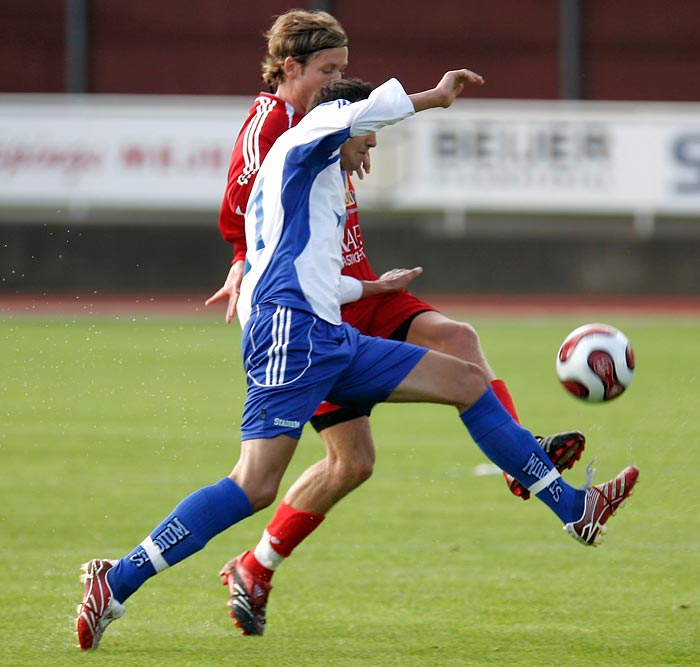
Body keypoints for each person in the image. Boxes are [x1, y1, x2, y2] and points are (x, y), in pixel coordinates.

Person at [75, 69, 639, 651]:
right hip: (290, 339)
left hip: (327, 334)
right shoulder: (310, 132)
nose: (370, 146)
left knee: (468, 380)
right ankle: (116, 581)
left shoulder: (316, 174)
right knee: (255, 484)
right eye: (366, 135)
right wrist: (434, 99)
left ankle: (573, 509)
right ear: (343, 118)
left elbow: (310, 269)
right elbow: (358, 115)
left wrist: (371, 291)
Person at [205, 10, 586, 636]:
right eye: (328, 70)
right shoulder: (270, 124)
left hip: (362, 285)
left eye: (343, 70)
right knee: (351, 462)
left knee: (458, 342)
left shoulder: (330, 116)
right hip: (319, 308)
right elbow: (242, 209)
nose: (338, 80)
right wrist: (244, 262)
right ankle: (255, 563)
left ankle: (527, 464)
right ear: (289, 69)